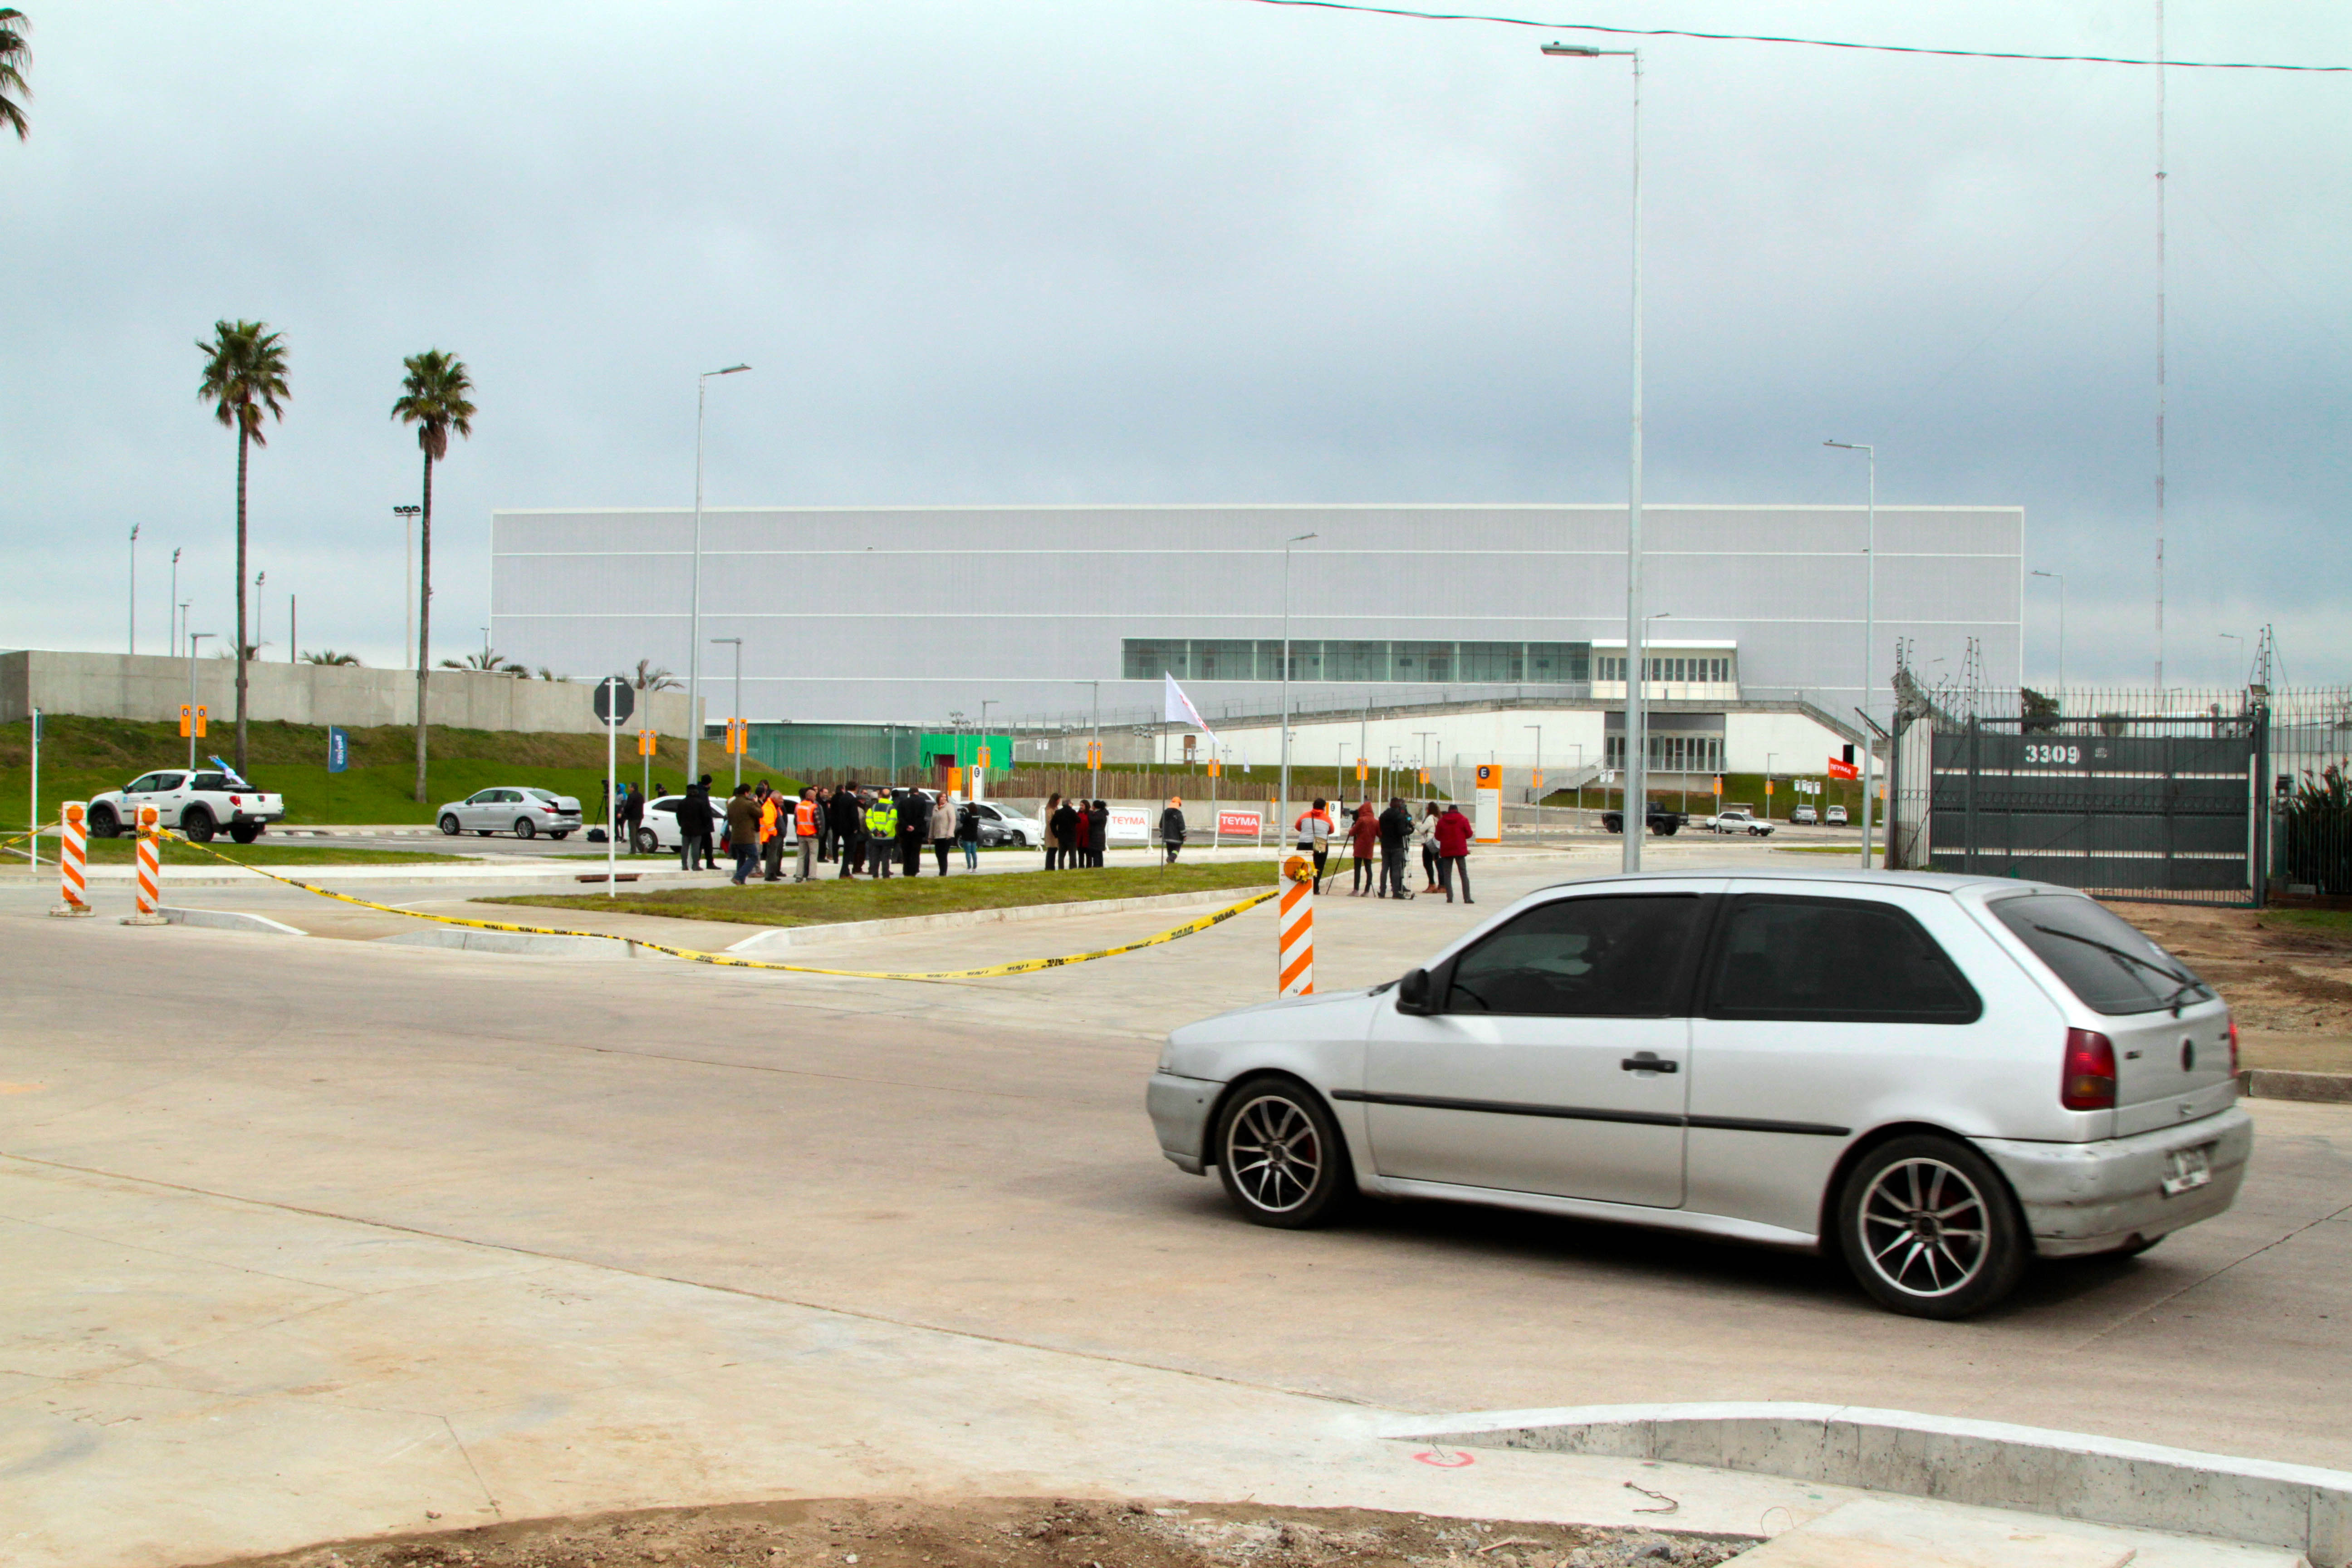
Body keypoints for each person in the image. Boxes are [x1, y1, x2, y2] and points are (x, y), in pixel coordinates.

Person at [1435, 800, 1474, 904]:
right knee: (1464, 874)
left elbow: (1437, 837)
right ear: (1457, 810)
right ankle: (1467, 898)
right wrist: (1461, 837)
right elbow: (1470, 834)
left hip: (1446, 850)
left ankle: (1450, 898)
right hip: (1460, 850)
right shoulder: (1463, 819)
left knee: (1447, 874)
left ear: (1448, 811)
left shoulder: (1442, 821)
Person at [1378, 796, 1414, 900]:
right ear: (1399, 806)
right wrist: (1411, 830)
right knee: (1396, 869)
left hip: (1385, 845)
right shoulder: (1400, 816)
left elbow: (1381, 829)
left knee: (1384, 868)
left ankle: (1382, 891)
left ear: (1390, 805)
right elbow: (1402, 832)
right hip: (1397, 846)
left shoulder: (1383, 816)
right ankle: (1396, 892)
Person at [725, 784, 762, 886]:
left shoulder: (731, 805)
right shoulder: (748, 804)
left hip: (735, 836)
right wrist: (756, 803)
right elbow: (760, 813)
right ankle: (738, 877)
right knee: (754, 856)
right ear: (746, 793)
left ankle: (741, 881)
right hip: (747, 836)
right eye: (749, 793)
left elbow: (730, 820)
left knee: (741, 858)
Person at [675, 777, 714, 873]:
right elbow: (705, 816)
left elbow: (678, 816)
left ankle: (684, 865)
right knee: (696, 848)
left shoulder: (682, 803)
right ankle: (695, 865)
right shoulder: (700, 803)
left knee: (685, 847)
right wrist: (704, 825)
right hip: (697, 829)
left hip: (685, 828)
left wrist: (682, 824)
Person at [1294, 798, 1333, 893]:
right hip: (1320, 845)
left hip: (1304, 843)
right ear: (1324, 807)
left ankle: (1302, 886)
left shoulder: (1304, 816)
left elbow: (1297, 827)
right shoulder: (1327, 819)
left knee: (1303, 865)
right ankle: (1315, 888)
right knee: (1318, 867)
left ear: (1313, 805)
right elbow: (1332, 830)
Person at [833, 783, 866, 878]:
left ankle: (846, 872)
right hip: (850, 829)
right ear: (856, 788)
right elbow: (854, 815)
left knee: (848, 850)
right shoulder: (851, 799)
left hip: (843, 827)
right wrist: (856, 828)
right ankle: (844, 872)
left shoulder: (844, 797)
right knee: (849, 851)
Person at [863, 789, 898, 878]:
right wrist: (884, 832)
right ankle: (885, 874)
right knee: (886, 857)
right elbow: (892, 821)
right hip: (888, 837)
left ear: (881, 796)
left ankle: (875, 874)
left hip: (875, 837)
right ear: (890, 796)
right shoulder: (892, 808)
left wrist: (875, 830)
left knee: (875, 856)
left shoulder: (874, 807)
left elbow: (869, 819)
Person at [1347, 802, 1378, 896]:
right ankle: (1367, 891)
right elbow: (1380, 834)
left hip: (1360, 846)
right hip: (1369, 847)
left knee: (1358, 868)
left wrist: (1351, 829)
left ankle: (1356, 890)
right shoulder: (1376, 821)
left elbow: (1352, 833)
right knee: (1369, 869)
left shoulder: (1361, 820)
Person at [897, 787, 928, 877]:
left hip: (905, 832)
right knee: (915, 852)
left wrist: (907, 826)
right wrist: (914, 826)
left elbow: (900, 817)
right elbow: (922, 817)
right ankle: (914, 871)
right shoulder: (922, 802)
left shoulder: (903, 802)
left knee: (906, 852)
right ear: (918, 793)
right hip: (917, 832)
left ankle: (906, 871)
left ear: (909, 793)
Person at [758, 783, 786, 882]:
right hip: (772, 836)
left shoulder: (774, 807)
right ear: (774, 799)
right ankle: (770, 875)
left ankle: (772, 874)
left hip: (776, 835)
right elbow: (769, 823)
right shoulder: (769, 807)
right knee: (772, 856)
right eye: (780, 799)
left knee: (775, 856)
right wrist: (774, 833)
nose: (782, 801)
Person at [793, 787, 821, 882]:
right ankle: (811, 876)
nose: (815, 798)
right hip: (812, 834)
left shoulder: (798, 806)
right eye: (815, 796)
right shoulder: (813, 807)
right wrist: (819, 832)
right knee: (813, 855)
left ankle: (799, 876)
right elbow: (818, 822)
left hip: (801, 834)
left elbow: (796, 821)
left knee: (801, 856)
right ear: (811, 797)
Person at [1416, 802, 1441, 893]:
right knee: (1437, 863)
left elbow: (1422, 829)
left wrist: (1416, 825)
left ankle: (1432, 884)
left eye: (1427, 808)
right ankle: (1441, 885)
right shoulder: (1437, 818)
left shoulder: (1430, 818)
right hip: (1436, 843)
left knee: (1427, 863)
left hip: (1429, 843)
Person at [931, 790, 958, 875]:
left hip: (946, 836)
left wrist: (950, 834)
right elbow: (933, 822)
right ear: (938, 798)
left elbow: (953, 821)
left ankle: (943, 873)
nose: (944, 798)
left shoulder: (949, 807)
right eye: (942, 797)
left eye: (945, 797)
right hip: (937, 835)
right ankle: (941, 870)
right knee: (938, 854)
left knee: (943, 855)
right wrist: (930, 836)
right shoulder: (935, 807)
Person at [1051, 797, 1080, 870]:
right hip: (1072, 837)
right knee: (1072, 855)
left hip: (1062, 837)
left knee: (1061, 856)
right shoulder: (1072, 812)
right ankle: (1073, 868)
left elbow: (1052, 824)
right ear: (1069, 804)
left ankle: (1061, 868)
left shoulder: (1058, 812)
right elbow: (1079, 820)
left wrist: (1056, 834)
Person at [1158, 796, 1186, 864]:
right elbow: (1182, 826)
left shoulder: (1165, 812)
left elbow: (1161, 824)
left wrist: (1163, 833)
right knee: (1176, 850)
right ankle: (1171, 859)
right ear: (1179, 805)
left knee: (1170, 850)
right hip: (1177, 838)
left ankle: (1171, 863)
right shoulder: (1178, 814)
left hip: (1167, 837)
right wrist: (1184, 835)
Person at [956, 796, 980, 871]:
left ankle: (969, 867)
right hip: (974, 836)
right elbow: (970, 818)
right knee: (974, 852)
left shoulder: (968, 815)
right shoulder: (977, 816)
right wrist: (966, 813)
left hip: (966, 836)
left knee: (968, 852)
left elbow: (962, 821)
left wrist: (962, 814)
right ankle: (975, 867)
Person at [1042, 793, 1064, 870]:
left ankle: (1051, 866)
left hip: (1055, 831)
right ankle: (1049, 867)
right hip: (1051, 832)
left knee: (1054, 850)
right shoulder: (1049, 809)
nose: (1059, 802)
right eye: (1059, 800)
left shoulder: (1054, 808)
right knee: (1051, 850)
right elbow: (1050, 821)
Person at [815, 785, 837, 863]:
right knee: (820, 842)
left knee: (824, 842)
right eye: (825, 793)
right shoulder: (818, 802)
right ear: (821, 793)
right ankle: (820, 857)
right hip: (821, 825)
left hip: (827, 826)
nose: (826, 794)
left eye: (827, 793)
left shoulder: (826, 802)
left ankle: (822, 856)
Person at [622, 784, 645, 854]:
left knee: (632, 835)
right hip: (639, 817)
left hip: (632, 818)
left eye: (630, 787)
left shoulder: (631, 796)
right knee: (636, 833)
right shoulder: (641, 796)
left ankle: (633, 850)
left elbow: (629, 806)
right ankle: (643, 848)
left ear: (633, 788)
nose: (629, 788)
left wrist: (624, 812)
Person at [1088, 799, 1109, 867]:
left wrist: (1090, 812)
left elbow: (1092, 820)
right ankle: (1100, 866)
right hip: (1100, 835)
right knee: (1099, 853)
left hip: (1096, 836)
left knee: (1096, 853)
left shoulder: (1099, 814)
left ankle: (1097, 866)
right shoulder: (1103, 813)